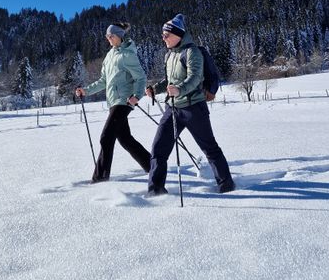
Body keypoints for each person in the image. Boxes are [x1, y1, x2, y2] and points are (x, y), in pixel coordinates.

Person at [145, 13, 235, 196]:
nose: (163, 38)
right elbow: (169, 80)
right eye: (163, 34)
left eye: (166, 34)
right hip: (173, 109)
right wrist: (156, 88)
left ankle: (226, 185)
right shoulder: (169, 55)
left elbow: (194, 78)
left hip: (194, 108)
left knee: (209, 148)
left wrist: (179, 89)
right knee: (158, 148)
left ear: (178, 34)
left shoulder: (192, 52)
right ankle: (155, 190)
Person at [75, 22, 151, 183]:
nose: (108, 38)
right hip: (113, 101)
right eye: (107, 36)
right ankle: (153, 165)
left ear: (119, 36)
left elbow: (140, 77)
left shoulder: (128, 54)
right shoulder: (109, 56)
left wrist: (137, 96)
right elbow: (103, 80)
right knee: (125, 139)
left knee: (106, 137)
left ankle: (100, 179)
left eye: (111, 36)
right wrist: (86, 91)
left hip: (123, 101)